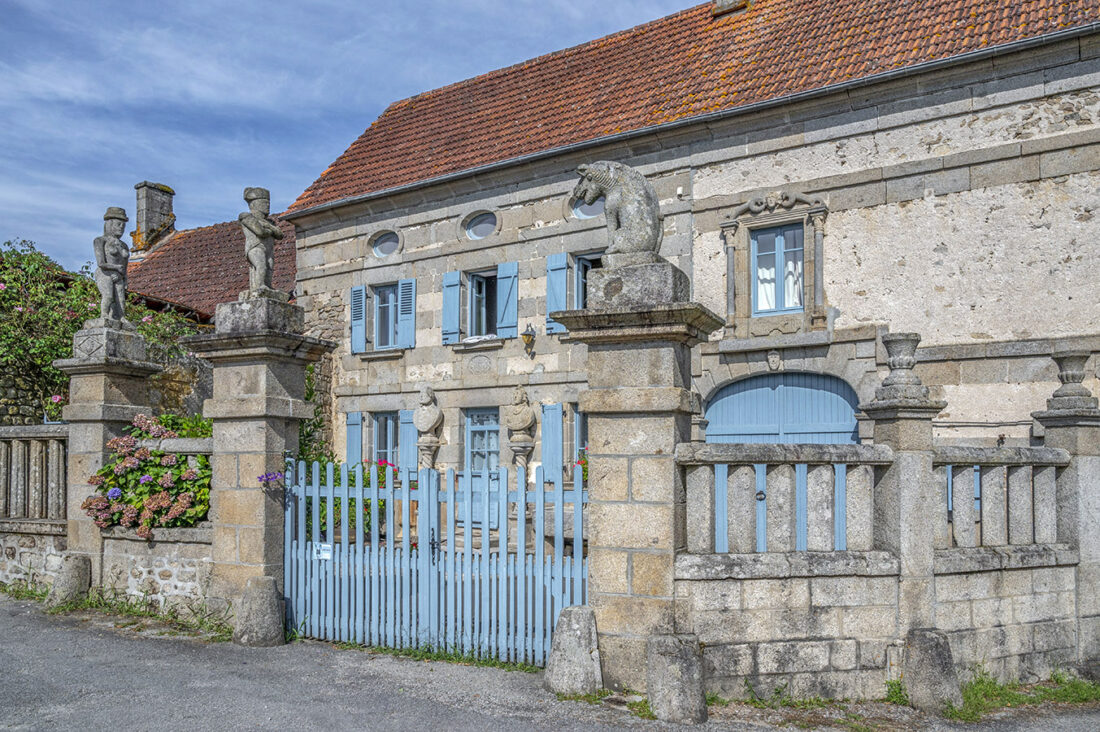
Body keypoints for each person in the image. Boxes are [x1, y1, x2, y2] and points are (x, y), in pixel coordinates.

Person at [239, 187, 283, 297]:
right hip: (255, 246)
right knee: (261, 264)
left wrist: (267, 226)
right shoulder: (246, 216)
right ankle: (260, 287)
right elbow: (260, 232)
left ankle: (267, 286)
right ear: (255, 204)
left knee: (269, 267)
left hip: (268, 249)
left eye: (268, 203)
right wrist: (270, 229)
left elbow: (280, 235)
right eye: (264, 203)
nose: (267, 205)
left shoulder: (269, 221)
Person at [93, 207, 130, 321]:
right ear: (109, 224)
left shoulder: (124, 245)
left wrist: (125, 279)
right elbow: (101, 263)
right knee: (108, 296)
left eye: (123, 226)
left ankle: (121, 318)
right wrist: (116, 268)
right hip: (105, 273)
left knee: (121, 301)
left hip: (119, 275)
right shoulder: (100, 241)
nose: (121, 228)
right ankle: (104, 315)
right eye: (118, 224)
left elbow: (125, 266)